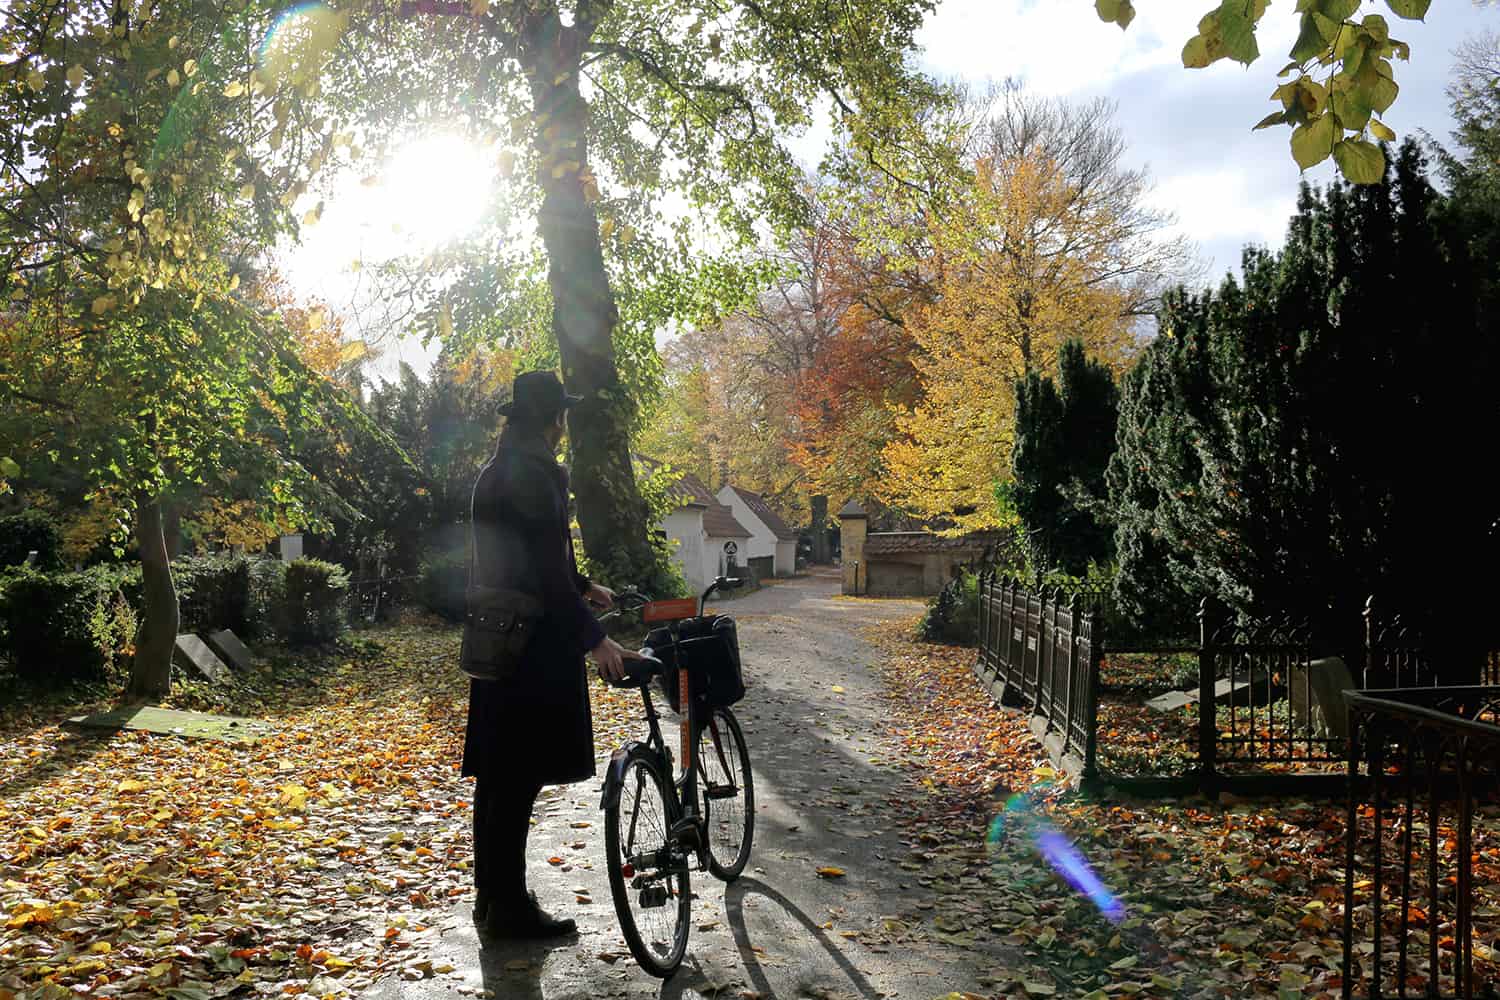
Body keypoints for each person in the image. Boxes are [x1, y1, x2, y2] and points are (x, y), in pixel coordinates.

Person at [461, 369, 637, 937]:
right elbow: (542, 572)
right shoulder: (534, 474)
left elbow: (533, 556)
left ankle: (492, 899)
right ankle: (508, 909)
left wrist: (583, 583)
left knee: (498, 778)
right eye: (561, 414)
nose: (564, 425)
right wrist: (596, 637)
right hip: (530, 646)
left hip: (496, 635)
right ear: (550, 418)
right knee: (515, 779)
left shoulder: (498, 468)